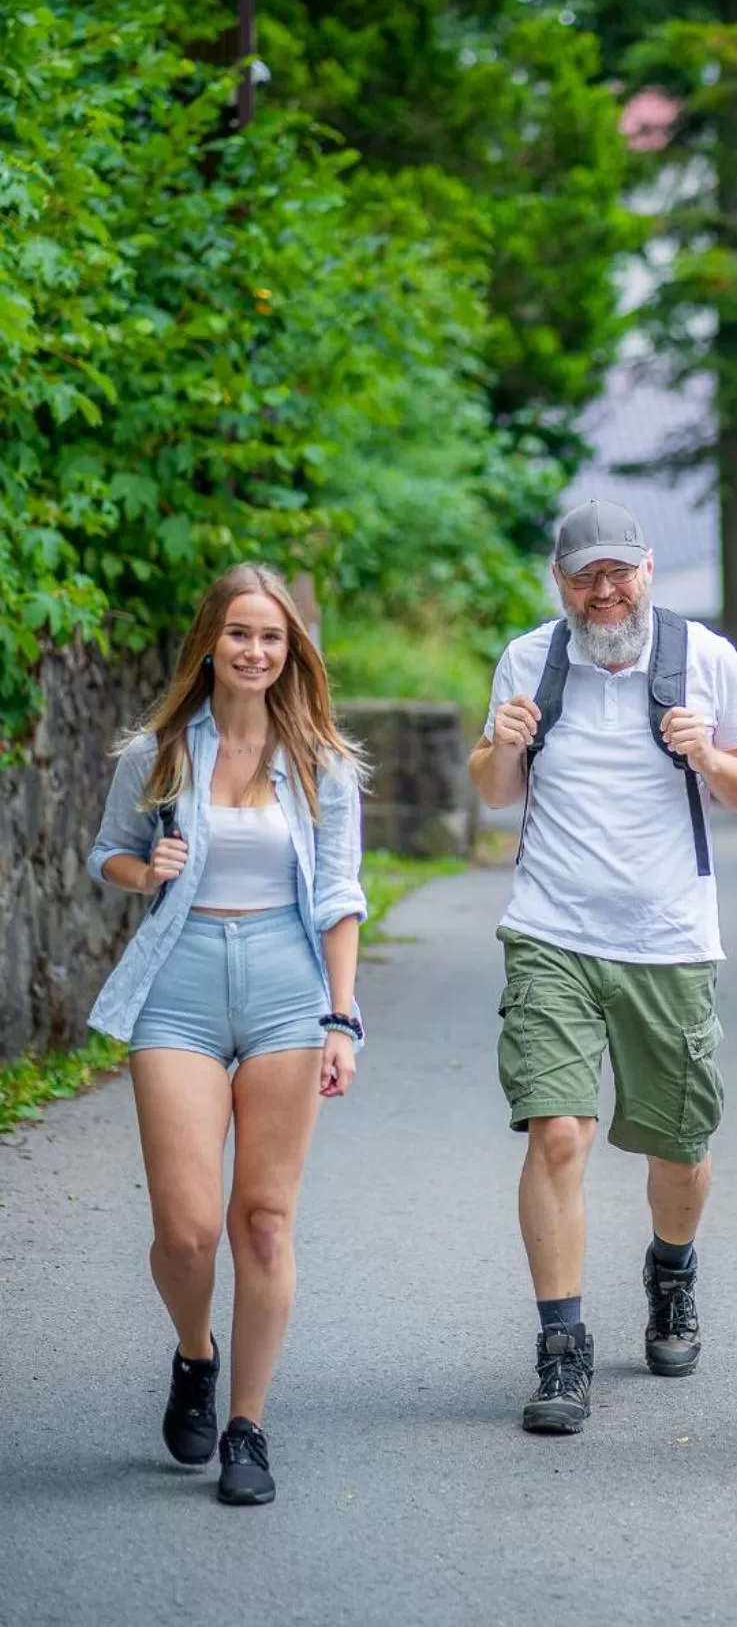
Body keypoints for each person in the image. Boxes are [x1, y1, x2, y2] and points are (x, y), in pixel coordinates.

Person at [469, 497, 737, 1435]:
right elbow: (492, 792)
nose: (604, 591)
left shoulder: (704, 661)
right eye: (584, 576)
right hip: (551, 929)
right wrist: (506, 745)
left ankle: (671, 1270)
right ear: (559, 582)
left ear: (647, 570)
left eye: (619, 573)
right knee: (556, 1134)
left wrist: (708, 758)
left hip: (668, 940)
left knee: (678, 1146)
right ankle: (562, 1350)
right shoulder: (531, 660)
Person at [87, 564, 367, 1506]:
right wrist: (145, 868)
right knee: (187, 1230)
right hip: (179, 986)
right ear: (211, 640)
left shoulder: (324, 762)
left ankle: (246, 1426)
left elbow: (339, 899)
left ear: (292, 652)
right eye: (240, 633)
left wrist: (340, 1018)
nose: (255, 651)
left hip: (290, 991)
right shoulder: (160, 751)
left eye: (272, 637)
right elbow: (107, 854)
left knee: (264, 1220)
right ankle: (194, 1353)